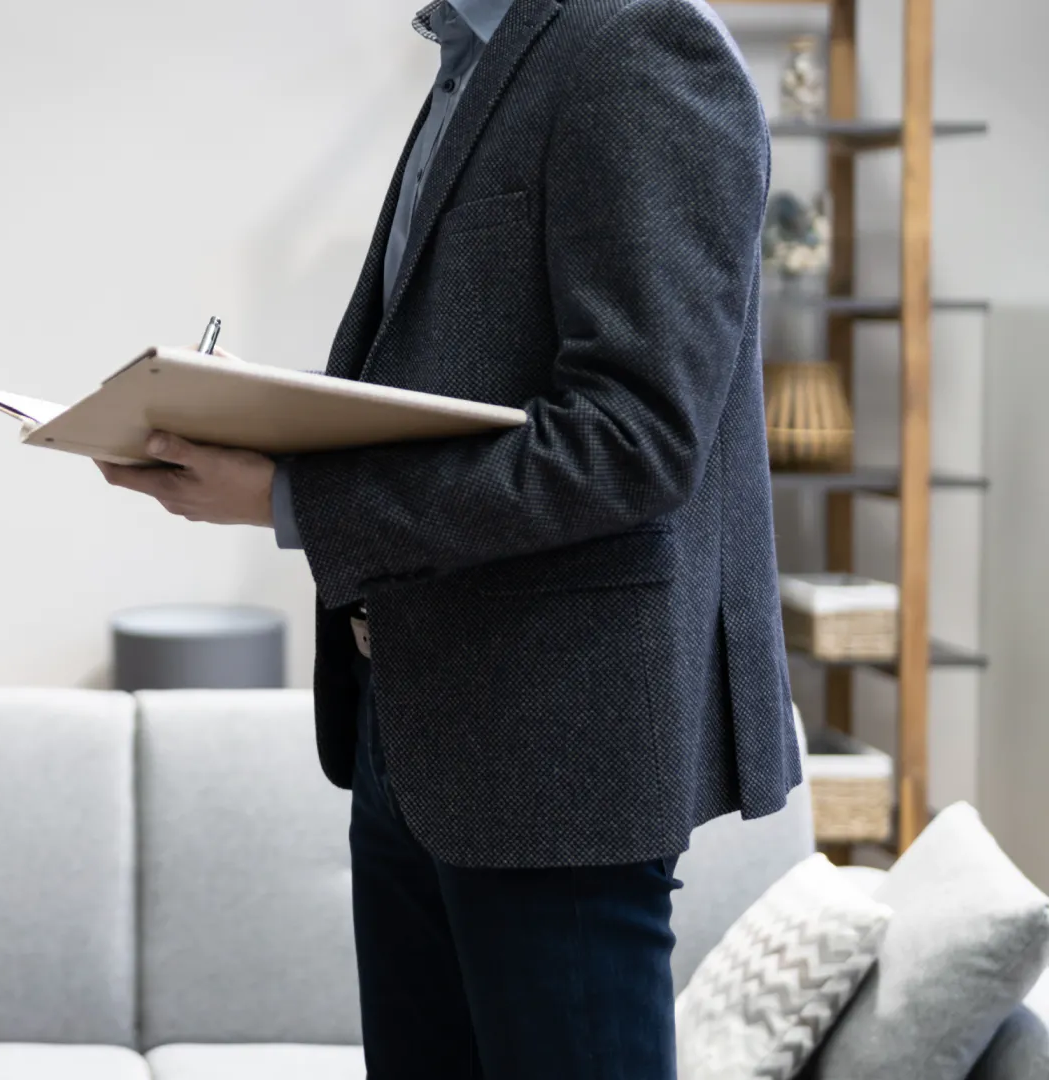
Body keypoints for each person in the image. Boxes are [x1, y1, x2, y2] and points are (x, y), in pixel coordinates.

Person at [97, 0, 799, 1076]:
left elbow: (635, 440)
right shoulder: (470, 59)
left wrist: (295, 497)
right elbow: (457, 379)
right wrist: (262, 421)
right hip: (409, 721)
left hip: (553, 754)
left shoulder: (644, 43)